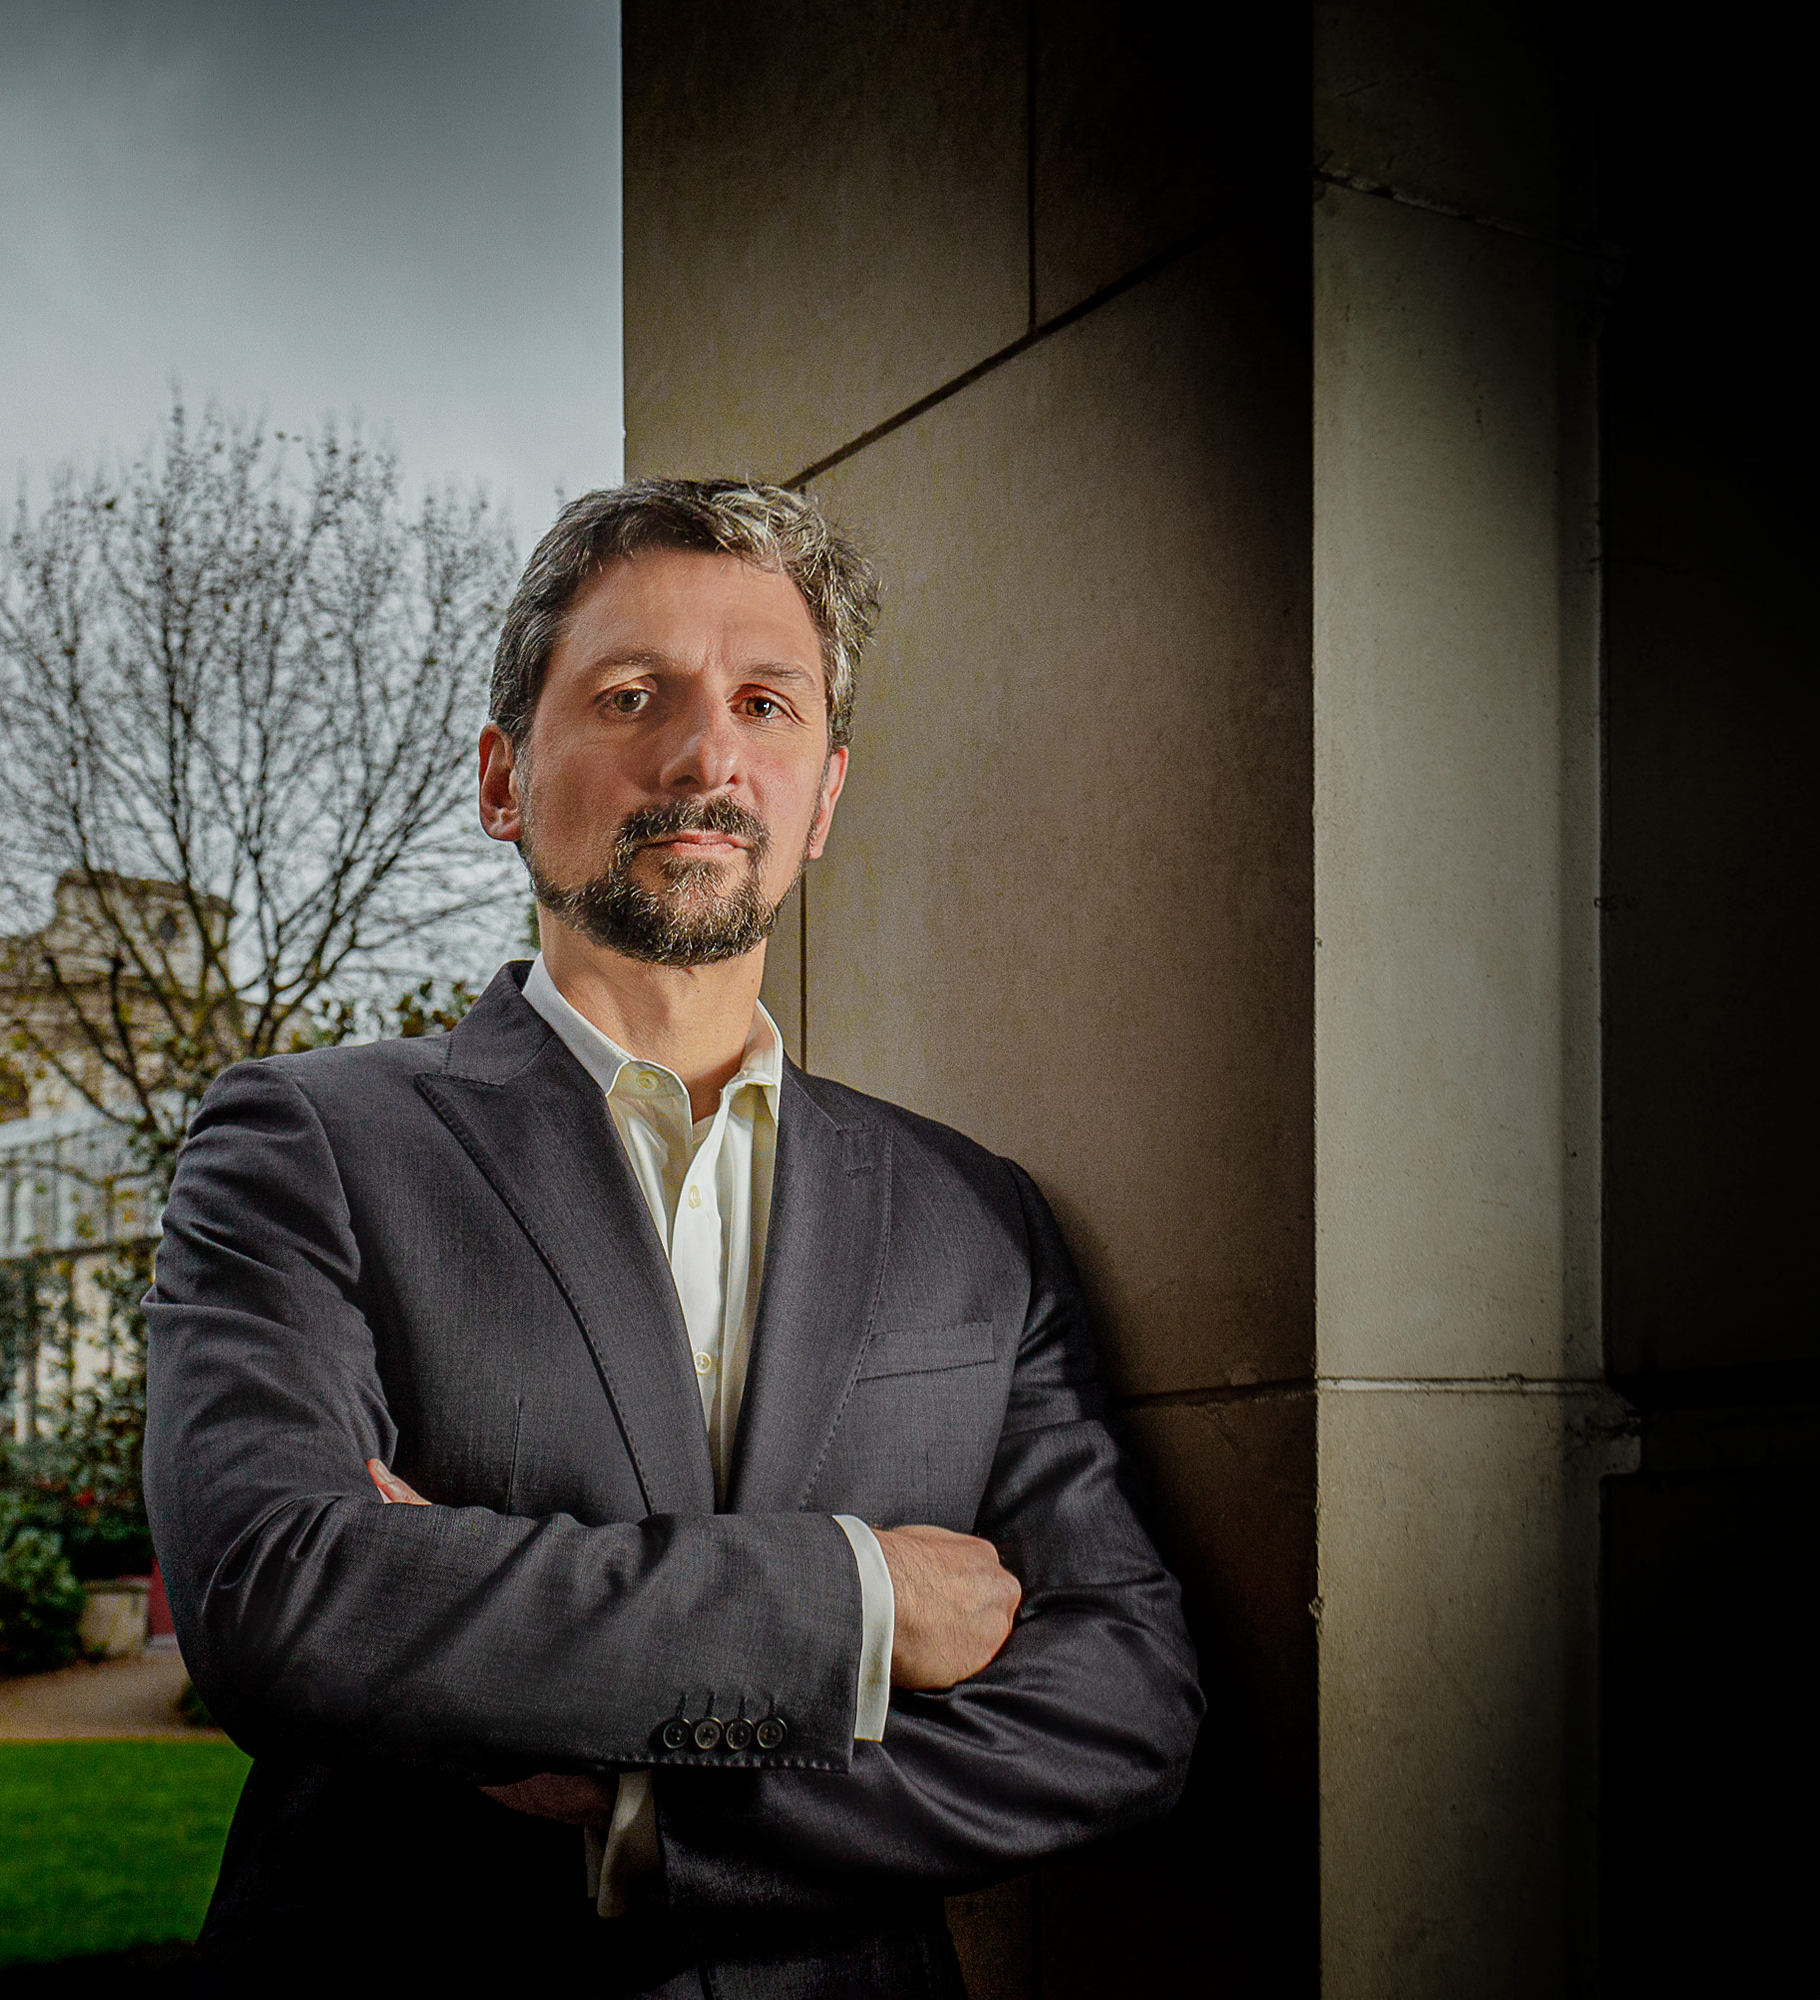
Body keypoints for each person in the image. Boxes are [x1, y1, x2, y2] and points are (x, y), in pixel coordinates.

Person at [144, 481, 1203, 1997]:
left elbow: (1122, 1706)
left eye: (766, 705)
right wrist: (863, 1601)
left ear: (822, 798)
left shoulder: (975, 1216)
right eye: (633, 695)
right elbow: (281, 1597)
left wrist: (641, 1807)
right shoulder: (308, 1141)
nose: (708, 758)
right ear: (504, 779)